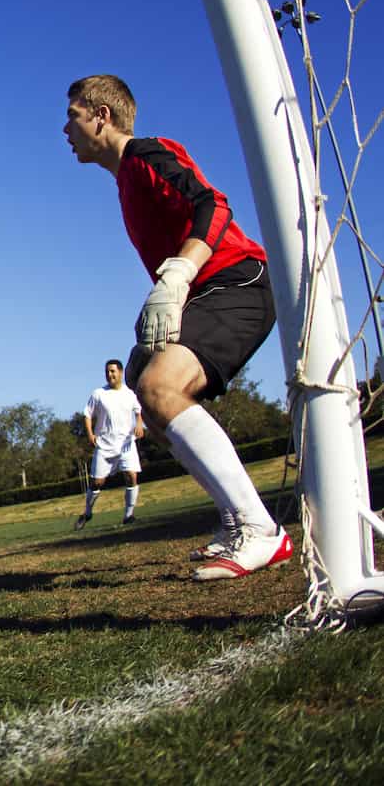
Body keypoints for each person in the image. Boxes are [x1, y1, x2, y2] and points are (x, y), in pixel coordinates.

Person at [64, 74, 291, 580]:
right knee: (149, 388)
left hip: (238, 281)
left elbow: (214, 204)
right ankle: (237, 521)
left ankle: (262, 530)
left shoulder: (147, 153)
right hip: (204, 293)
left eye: (73, 115)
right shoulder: (124, 179)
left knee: (160, 387)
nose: (66, 128)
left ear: (102, 116)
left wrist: (179, 274)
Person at [74, 359, 146, 530]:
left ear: (120, 373)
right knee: (97, 482)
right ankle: (88, 512)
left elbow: (138, 411)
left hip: (126, 444)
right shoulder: (99, 394)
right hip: (105, 446)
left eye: (113, 371)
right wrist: (90, 434)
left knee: (132, 476)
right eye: (107, 372)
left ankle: (129, 515)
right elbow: (87, 415)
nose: (110, 375)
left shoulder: (129, 393)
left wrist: (139, 424)